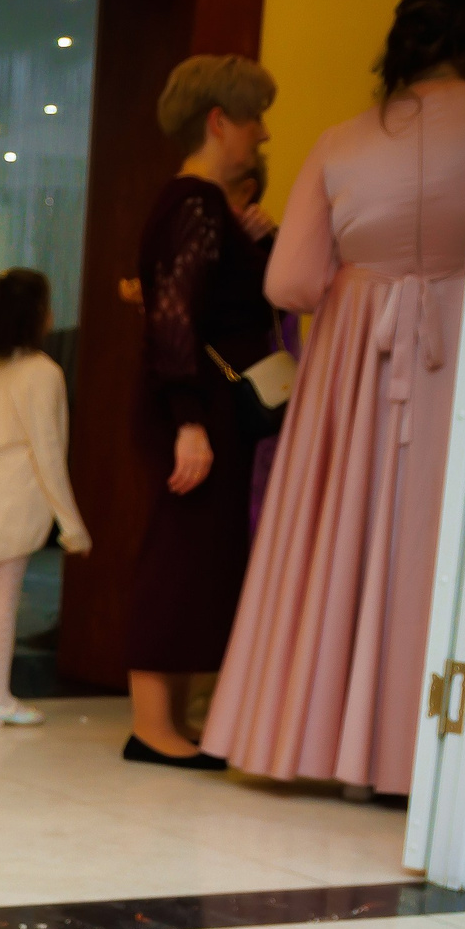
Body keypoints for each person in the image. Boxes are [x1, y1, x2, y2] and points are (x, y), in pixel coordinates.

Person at [202, 0, 465, 796]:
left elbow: (291, 281)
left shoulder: (344, 141)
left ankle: (328, 745)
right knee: (446, 536)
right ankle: (429, 756)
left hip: (357, 360)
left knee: (344, 532)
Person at [125, 54, 281, 769]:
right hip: (200, 407)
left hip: (204, 405)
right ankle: (154, 727)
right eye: (254, 122)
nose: (262, 138)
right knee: (181, 557)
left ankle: (168, 723)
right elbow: (175, 316)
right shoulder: (195, 205)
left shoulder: (206, 208)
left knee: (196, 557)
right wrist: (189, 418)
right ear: (220, 121)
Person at [0, 267, 89, 727]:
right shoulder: (43, 373)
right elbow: (49, 453)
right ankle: (0, 697)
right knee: (4, 596)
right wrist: (72, 523)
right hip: (16, 497)